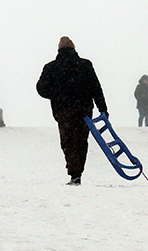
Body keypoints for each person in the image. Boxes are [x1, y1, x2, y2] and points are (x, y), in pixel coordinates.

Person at [37, 36, 108, 186]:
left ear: (58, 50)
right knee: (81, 141)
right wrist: (103, 108)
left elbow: (41, 88)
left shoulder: (51, 67)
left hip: (64, 110)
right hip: (84, 109)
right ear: (74, 49)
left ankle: (74, 173)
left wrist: (56, 94)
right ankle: (78, 173)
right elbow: (96, 88)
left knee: (68, 142)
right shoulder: (85, 65)